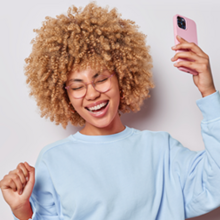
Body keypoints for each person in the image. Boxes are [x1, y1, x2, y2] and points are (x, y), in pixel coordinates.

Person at [0, 2, 219, 220]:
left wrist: (208, 91)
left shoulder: (162, 150)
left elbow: (215, 183)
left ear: (122, 78)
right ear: (64, 96)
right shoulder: (52, 160)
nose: (92, 94)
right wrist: (22, 213)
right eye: (77, 86)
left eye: (101, 79)